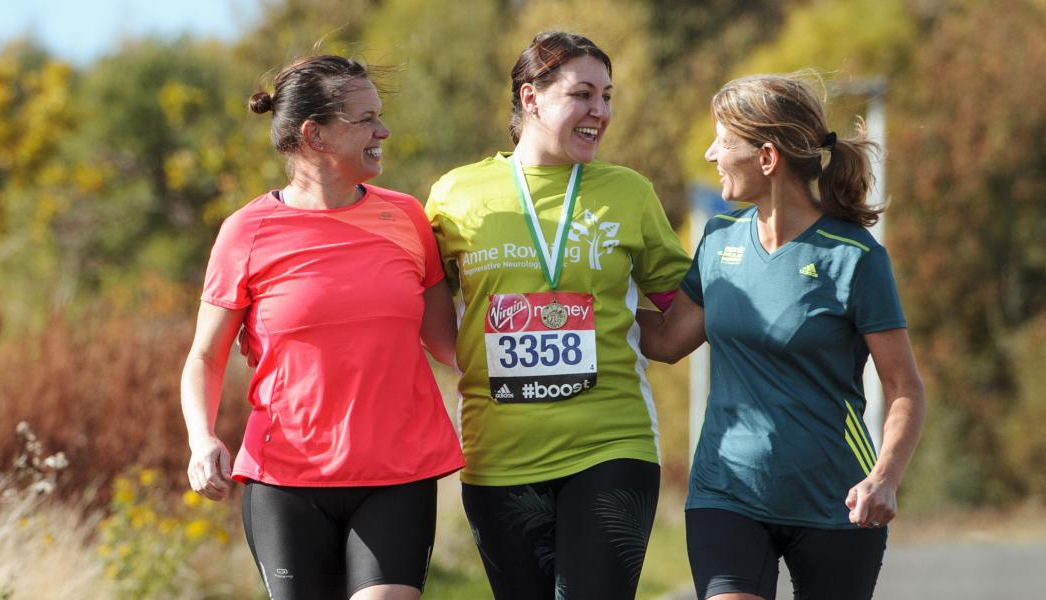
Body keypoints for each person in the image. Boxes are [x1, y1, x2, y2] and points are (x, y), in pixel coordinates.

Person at [180, 54, 464, 600]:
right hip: (286, 479)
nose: (383, 131)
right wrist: (202, 438)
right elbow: (204, 358)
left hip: (396, 472)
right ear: (315, 135)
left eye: (380, 115)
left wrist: (535, 346)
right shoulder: (246, 232)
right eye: (365, 119)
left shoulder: (406, 217)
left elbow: (447, 343)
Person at [637, 73, 927, 600]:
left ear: (766, 158)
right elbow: (664, 342)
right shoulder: (717, 241)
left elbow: (904, 386)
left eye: (723, 142)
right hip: (725, 495)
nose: (710, 154)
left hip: (836, 502)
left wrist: (885, 478)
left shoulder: (854, 257)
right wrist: (583, 295)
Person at [424, 31, 691, 598]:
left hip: (611, 442)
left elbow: (677, 312)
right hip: (499, 455)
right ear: (531, 97)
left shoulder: (629, 192)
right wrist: (483, 361)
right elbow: (432, 314)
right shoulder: (455, 195)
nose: (602, 111)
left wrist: (744, 269)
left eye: (608, 96)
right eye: (584, 95)